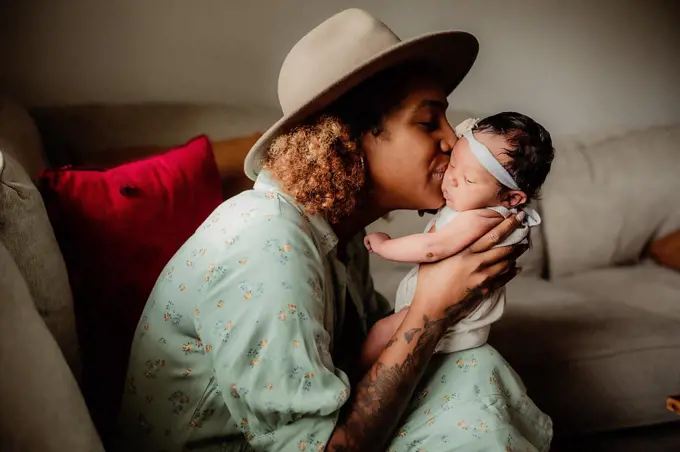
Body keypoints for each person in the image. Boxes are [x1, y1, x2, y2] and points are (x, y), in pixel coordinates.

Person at [115, 8, 553, 452]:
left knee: (473, 368)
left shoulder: (337, 236)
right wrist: (431, 310)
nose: (452, 141)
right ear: (345, 139)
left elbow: (363, 361)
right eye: (427, 122)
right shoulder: (269, 247)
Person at [365, 112, 554, 354]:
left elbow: (431, 248)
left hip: (452, 318)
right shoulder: (476, 206)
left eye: (468, 179)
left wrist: (384, 246)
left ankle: (355, 378)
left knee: (381, 332)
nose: (451, 179)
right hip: (441, 306)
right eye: (453, 164)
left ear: (510, 198)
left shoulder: (483, 218)